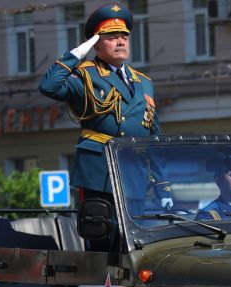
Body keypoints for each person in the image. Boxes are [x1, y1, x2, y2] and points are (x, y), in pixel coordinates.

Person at [38, 3, 172, 209]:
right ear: (96, 45)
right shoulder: (86, 75)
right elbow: (49, 86)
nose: (120, 42)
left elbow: (154, 136)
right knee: (101, 235)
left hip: (134, 176)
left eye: (124, 37)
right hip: (99, 174)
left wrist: (162, 186)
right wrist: (77, 53)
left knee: (132, 239)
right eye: (111, 37)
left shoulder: (144, 82)